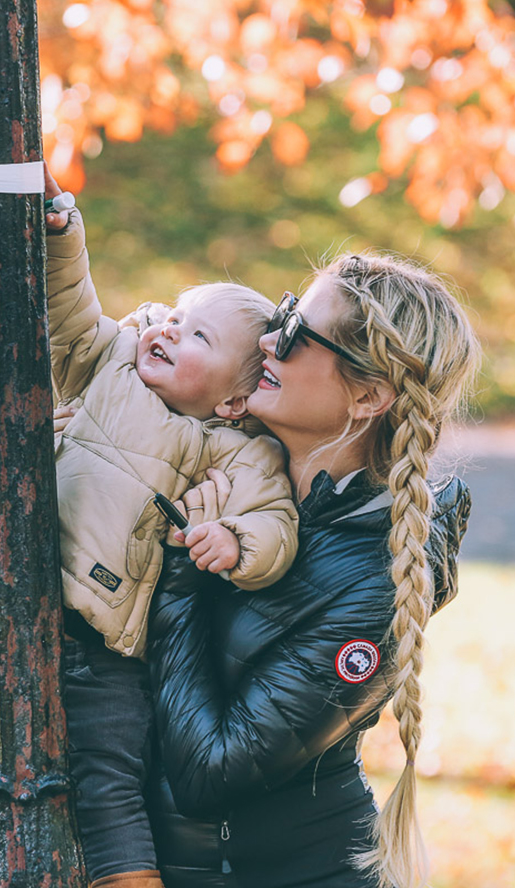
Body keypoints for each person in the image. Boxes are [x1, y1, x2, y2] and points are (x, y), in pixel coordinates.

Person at [143, 255, 480, 888]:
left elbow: (210, 773)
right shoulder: (226, 458)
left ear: (369, 396)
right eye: (284, 312)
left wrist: (183, 570)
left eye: (297, 333)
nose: (269, 339)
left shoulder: (378, 581)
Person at [43, 169, 298, 888]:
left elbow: (273, 522)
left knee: (108, 779)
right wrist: (63, 234)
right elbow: (69, 311)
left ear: (233, 400)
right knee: (7, 764)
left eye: (195, 337)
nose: (165, 330)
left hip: (107, 642)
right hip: (26, 615)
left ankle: (129, 879)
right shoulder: (111, 362)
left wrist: (235, 543)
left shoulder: (236, 449)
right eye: (174, 316)